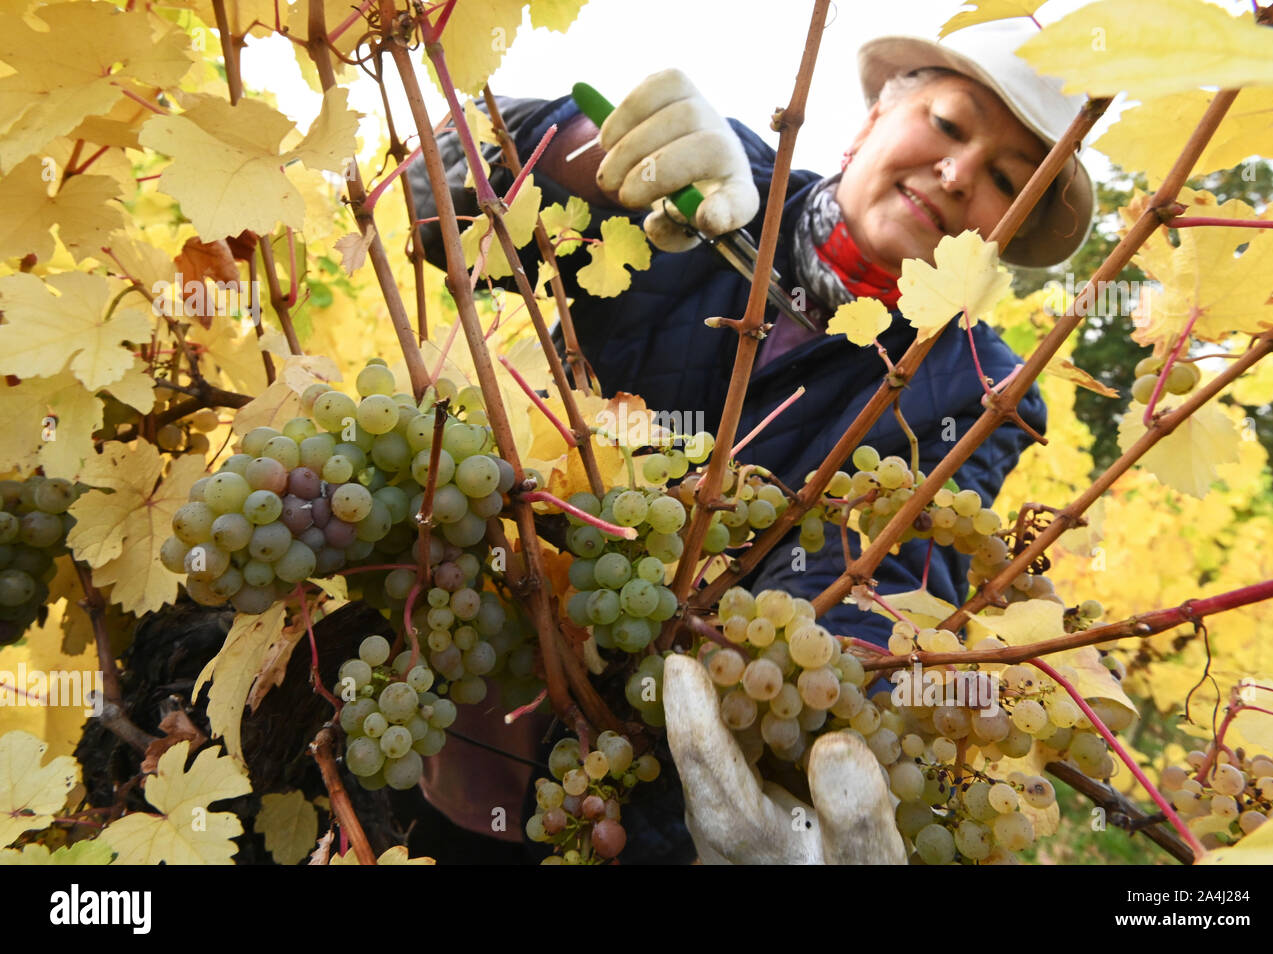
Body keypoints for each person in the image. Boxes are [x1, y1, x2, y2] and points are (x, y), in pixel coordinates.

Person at [407, 18, 1095, 863]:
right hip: (463, 713)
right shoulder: (703, 177)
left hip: (649, 796)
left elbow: (879, 578)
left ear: (1008, 235)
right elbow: (433, 179)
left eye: (1002, 179)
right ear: (873, 119)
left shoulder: (979, 391)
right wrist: (581, 149)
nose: (956, 174)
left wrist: (815, 744)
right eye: (949, 126)